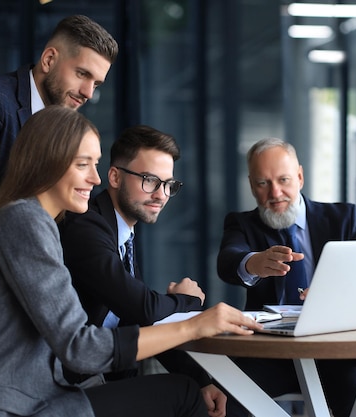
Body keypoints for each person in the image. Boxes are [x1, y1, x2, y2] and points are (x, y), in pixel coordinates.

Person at [0, 105, 261, 417]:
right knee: (184, 395)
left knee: (188, 391)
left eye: (95, 164)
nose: (95, 179)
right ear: (47, 162)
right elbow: (80, 347)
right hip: (11, 406)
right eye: (84, 165)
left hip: (32, 395)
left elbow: (125, 320)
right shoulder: (25, 223)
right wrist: (192, 325)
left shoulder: (31, 222)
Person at [0, 14, 119, 337]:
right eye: (82, 74)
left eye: (97, 83)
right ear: (49, 58)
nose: (89, 92)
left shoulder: (63, 131)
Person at [59, 125, 240, 417]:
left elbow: (141, 320)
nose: (161, 195)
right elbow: (143, 307)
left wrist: (203, 380)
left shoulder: (121, 234)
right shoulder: (87, 227)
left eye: (168, 184)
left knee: (203, 393)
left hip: (100, 378)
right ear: (115, 176)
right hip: (63, 388)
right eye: (149, 180)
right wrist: (187, 299)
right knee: (183, 393)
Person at [216, 137, 356, 417]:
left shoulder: (343, 217)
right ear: (252, 185)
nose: (275, 193)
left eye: (283, 180)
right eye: (263, 183)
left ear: (299, 176)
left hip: (336, 352)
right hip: (271, 353)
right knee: (225, 403)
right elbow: (228, 261)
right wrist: (254, 262)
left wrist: (333, 294)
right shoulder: (242, 223)